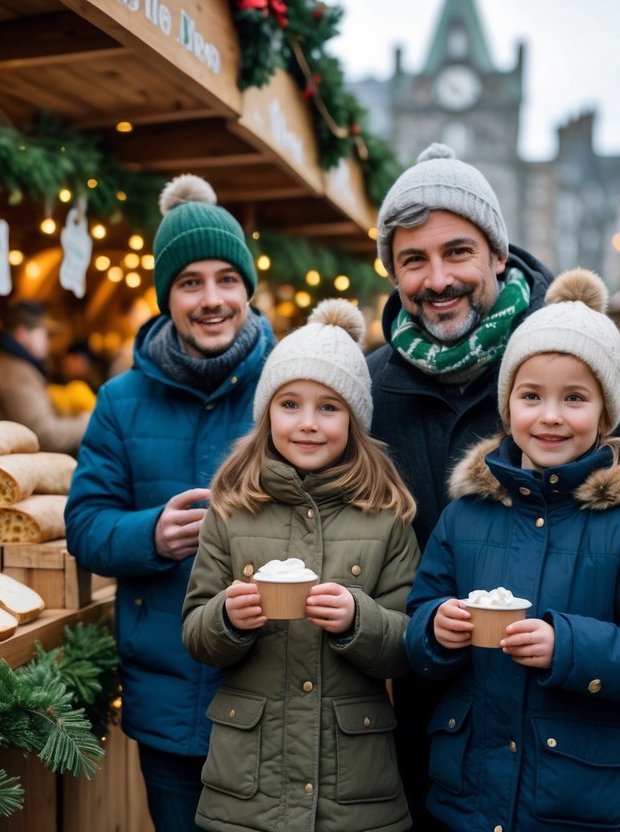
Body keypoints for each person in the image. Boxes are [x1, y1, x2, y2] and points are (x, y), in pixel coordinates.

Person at [365, 143, 620, 829]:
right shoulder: (372, 387)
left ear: (498, 254)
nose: (437, 279)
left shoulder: (573, 358)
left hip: (567, 739)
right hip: (425, 742)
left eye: (457, 252)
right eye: (413, 259)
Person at [404, 268, 620, 831]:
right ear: (507, 405)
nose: (549, 416)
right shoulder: (465, 515)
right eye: (531, 396)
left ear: (605, 412)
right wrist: (434, 631)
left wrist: (565, 646)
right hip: (465, 798)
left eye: (573, 398)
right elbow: (417, 625)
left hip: (576, 801)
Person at [64, 173, 276, 832]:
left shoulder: (293, 388)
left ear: (246, 289)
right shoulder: (120, 402)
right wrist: (150, 536)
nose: (210, 300)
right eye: (190, 283)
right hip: (169, 696)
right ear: (166, 297)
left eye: (225, 280)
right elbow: (85, 525)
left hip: (281, 691)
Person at [182, 299, 419, 832]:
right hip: (249, 786)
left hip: (354, 788)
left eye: (329, 408)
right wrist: (226, 618)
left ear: (354, 421)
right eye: (290, 404)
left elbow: (409, 643)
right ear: (267, 414)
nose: (308, 424)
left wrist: (360, 619)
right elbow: (196, 633)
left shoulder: (386, 515)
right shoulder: (231, 508)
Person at [0, 300, 90, 454]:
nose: (48, 341)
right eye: (44, 333)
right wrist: (88, 421)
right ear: (22, 334)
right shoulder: (16, 373)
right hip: (12, 468)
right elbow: (45, 436)